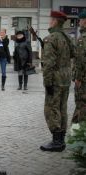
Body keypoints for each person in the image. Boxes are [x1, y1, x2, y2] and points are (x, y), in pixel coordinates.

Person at [40, 11, 74, 152]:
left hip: (55, 79)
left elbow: (48, 64)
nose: (49, 21)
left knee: (51, 109)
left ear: (54, 21)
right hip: (65, 79)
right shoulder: (67, 37)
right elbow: (72, 54)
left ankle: (56, 142)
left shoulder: (51, 38)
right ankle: (61, 139)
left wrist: (47, 82)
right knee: (62, 108)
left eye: (50, 19)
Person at [72, 10, 86, 123]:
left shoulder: (82, 39)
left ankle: (79, 135)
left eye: (80, 20)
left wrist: (78, 78)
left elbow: (80, 59)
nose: (79, 22)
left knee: (81, 105)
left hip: (83, 80)